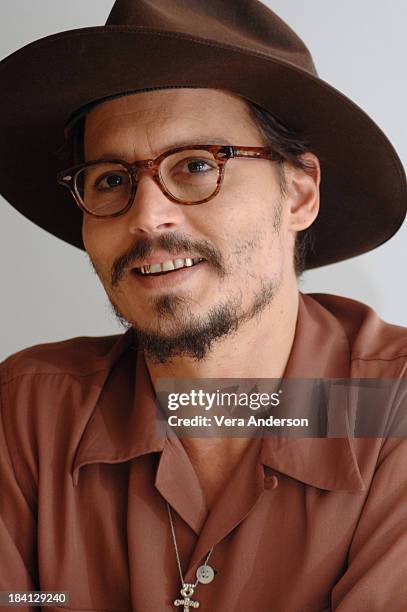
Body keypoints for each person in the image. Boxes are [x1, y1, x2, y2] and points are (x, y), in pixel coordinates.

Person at [0, 1, 406, 611]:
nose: (147, 216)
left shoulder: (390, 411)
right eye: (111, 179)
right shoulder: (29, 414)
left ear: (298, 192)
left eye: (195, 165)